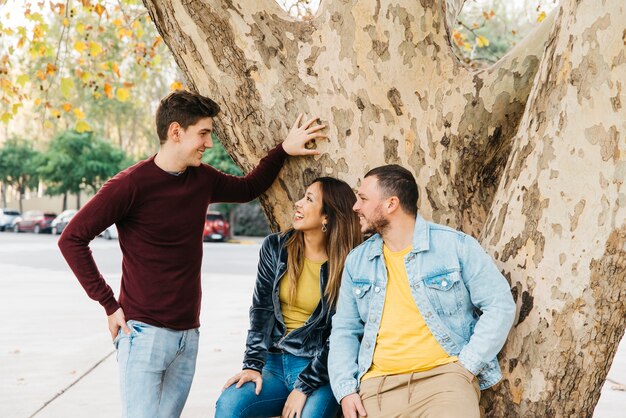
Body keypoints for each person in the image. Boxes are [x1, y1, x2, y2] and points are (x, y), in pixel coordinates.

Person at [58, 90, 326, 418]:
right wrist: (108, 303)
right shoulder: (130, 185)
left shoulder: (202, 179)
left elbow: (248, 188)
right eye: (203, 133)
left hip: (188, 336)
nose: (209, 143)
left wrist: (283, 149)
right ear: (175, 132)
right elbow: (72, 239)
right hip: (144, 336)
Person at [328, 164, 516, 418]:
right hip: (378, 387)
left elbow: (499, 304)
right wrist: (346, 390)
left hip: (445, 381)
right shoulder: (358, 261)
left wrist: (467, 366)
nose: (355, 207)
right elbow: (344, 330)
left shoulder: (455, 246)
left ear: (391, 204)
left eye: (362, 199)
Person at [216, 177, 362, 418]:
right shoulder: (275, 247)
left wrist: (304, 386)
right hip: (272, 363)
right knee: (230, 405)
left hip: (318, 368)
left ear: (326, 216)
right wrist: (252, 365)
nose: (298, 203)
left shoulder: (349, 262)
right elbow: (261, 311)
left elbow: (341, 334)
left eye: (308, 199)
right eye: (302, 196)